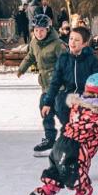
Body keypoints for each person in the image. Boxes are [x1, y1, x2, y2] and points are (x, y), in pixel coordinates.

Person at [42, 27, 98, 146]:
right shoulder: (64, 58)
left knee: (77, 124)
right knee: (59, 105)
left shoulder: (90, 59)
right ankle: (65, 139)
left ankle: (73, 142)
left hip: (85, 97)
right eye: (71, 39)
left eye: (77, 40)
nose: (72, 42)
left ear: (84, 43)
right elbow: (55, 82)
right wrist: (47, 103)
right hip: (67, 96)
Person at [18, 14, 67, 157]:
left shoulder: (57, 44)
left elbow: (66, 63)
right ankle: (49, 139)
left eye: (42, 30)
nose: (39, 33)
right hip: (45, 86)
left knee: (61, 112)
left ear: (48, 29)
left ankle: (70, 139)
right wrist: (22, 68)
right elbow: (30, 56)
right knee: (45, 111)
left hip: (59, 87)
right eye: (36, 30)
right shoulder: (34, 43)